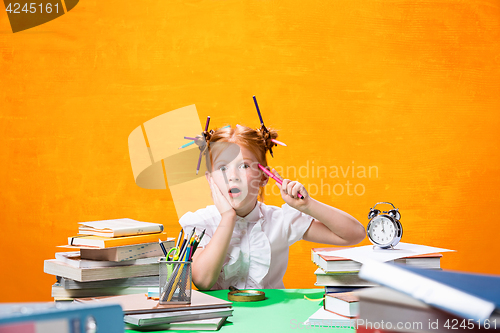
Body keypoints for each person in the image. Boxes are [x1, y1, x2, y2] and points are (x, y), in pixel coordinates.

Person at [179, 124, 365, 290]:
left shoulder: (279, 220)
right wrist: (228, 217)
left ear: (263, 177)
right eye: (222, 168)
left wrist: (308, 205)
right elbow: (203, 281)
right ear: (210, 179)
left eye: (244, 166)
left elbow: (354, 234)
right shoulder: (200, 223)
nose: (233, 176)